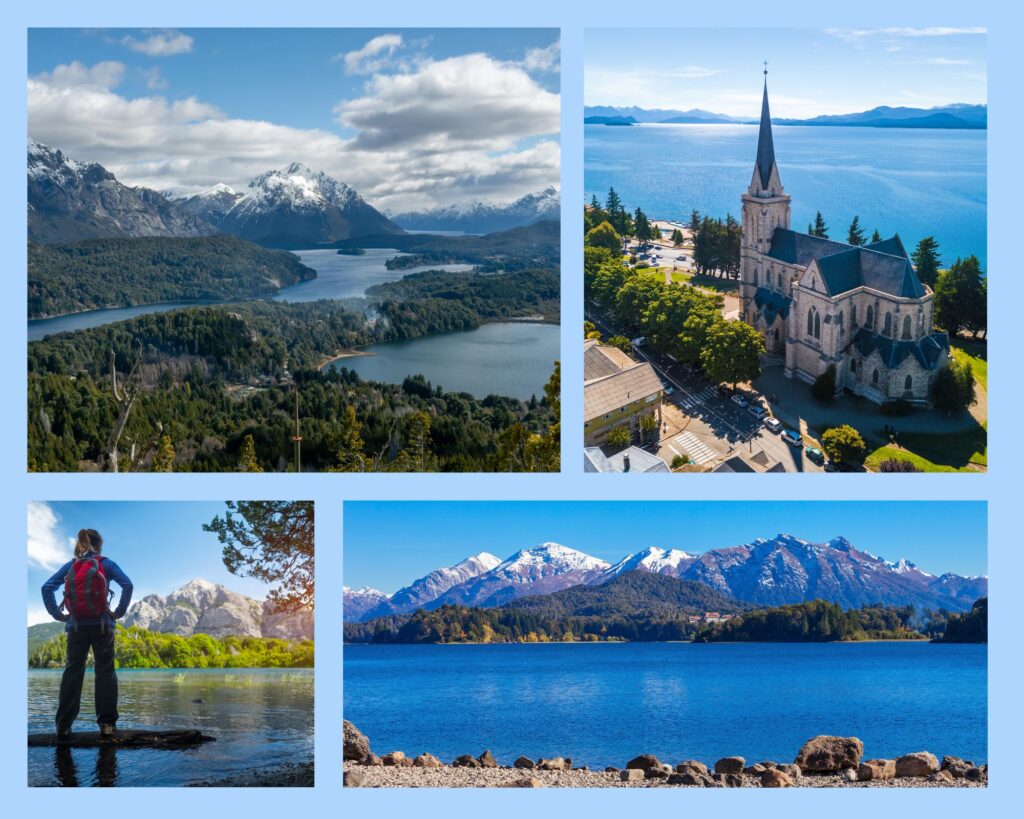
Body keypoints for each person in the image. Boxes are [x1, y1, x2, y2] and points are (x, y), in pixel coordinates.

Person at [41, 529, 133, 738]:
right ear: (99, 546)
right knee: (105, 672)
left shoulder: (71, 565)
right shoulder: (106, 563)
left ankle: (63, 726)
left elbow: (46, 588)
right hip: (103, 626)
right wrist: (118, 612)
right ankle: (107, 725)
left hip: (76, 627)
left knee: (72, 672)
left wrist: (58, 615)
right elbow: (127, 585)